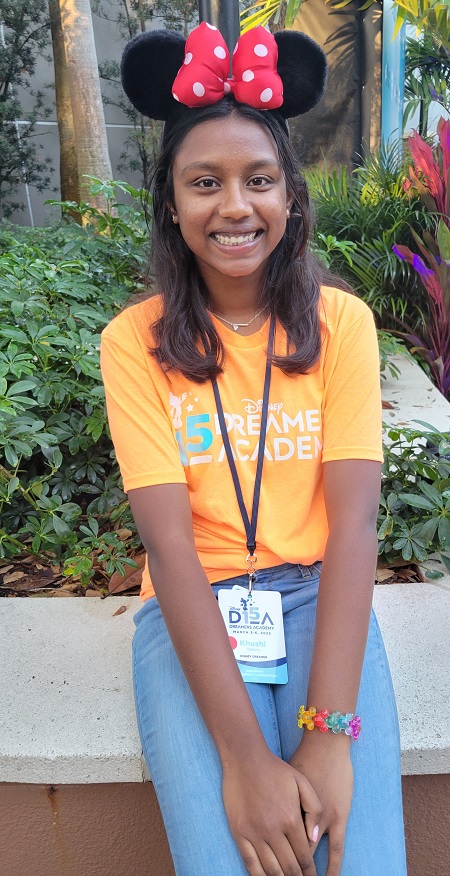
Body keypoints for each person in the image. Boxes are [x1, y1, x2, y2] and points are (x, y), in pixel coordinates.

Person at [100, 22, 407, 876]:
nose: (235, 206)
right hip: (192, 611)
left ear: (291, 197)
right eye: (205, 182)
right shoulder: (134, 342)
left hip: (319, 600)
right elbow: (169, 546)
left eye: (259, 179)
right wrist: (245, 762)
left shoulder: (342, 325)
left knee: (356, 857)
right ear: (171, 202)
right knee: (232, 858)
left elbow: (354, 528)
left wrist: (329, 739)